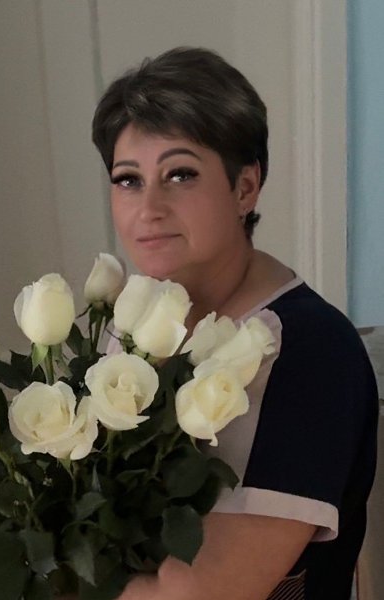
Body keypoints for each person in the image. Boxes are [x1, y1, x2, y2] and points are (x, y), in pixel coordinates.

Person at [88, 47, 379, 600]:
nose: (148, 208)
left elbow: (199, 594)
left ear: (245, 187)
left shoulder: (312, 352)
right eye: (128, 179)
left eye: (180, 174)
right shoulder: (128, 326)